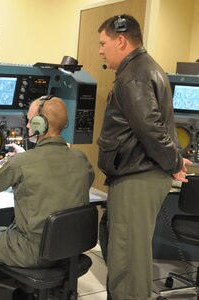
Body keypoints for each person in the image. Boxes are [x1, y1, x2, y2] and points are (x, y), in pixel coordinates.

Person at [0, 96, 95, 300]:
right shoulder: (81, 158)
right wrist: (25, 160)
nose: (28, 125)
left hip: (30, 252)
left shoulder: (22, 163)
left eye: (30, 121)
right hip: (70, 249)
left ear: (40, 124)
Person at [97, 14, 192, 300]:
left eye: (103, 43)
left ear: (121, 40)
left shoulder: (133, 77)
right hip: (140, 174)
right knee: (128, 252)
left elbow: (150, 130)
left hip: (136, 178)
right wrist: (173, 158)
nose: (100, 49)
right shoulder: (145, 68)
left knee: (127, 262)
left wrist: (174, 162)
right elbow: (160, 126)